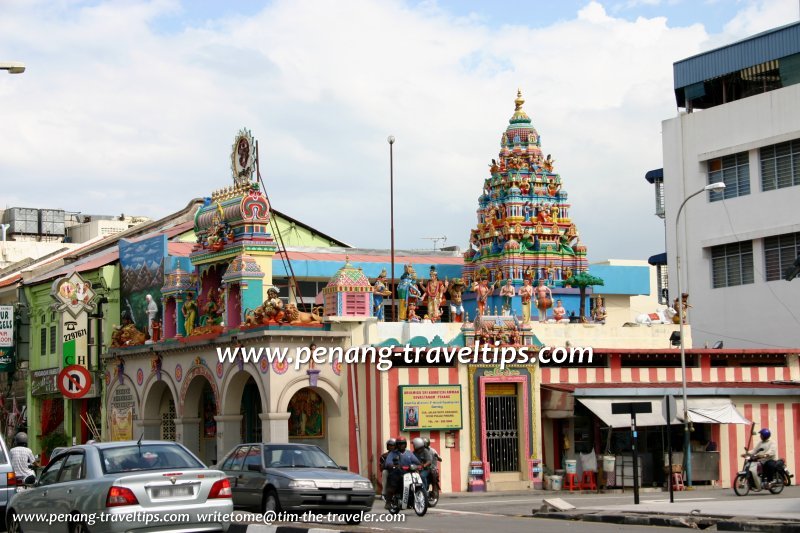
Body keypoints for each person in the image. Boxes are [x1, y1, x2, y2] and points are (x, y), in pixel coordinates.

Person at [384, 437, 421, 509]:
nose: (401, 446)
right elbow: (388, 463)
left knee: (420, 478)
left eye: (403, 444)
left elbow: (417, 462)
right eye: (400, 444)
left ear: (406, 444)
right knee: (393, 482)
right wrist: (393, 465)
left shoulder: (409, 453)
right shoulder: (393, 453)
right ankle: (388, 502)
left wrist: (420, 465)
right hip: (397, 472)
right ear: (397, 445)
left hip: (408, 472)